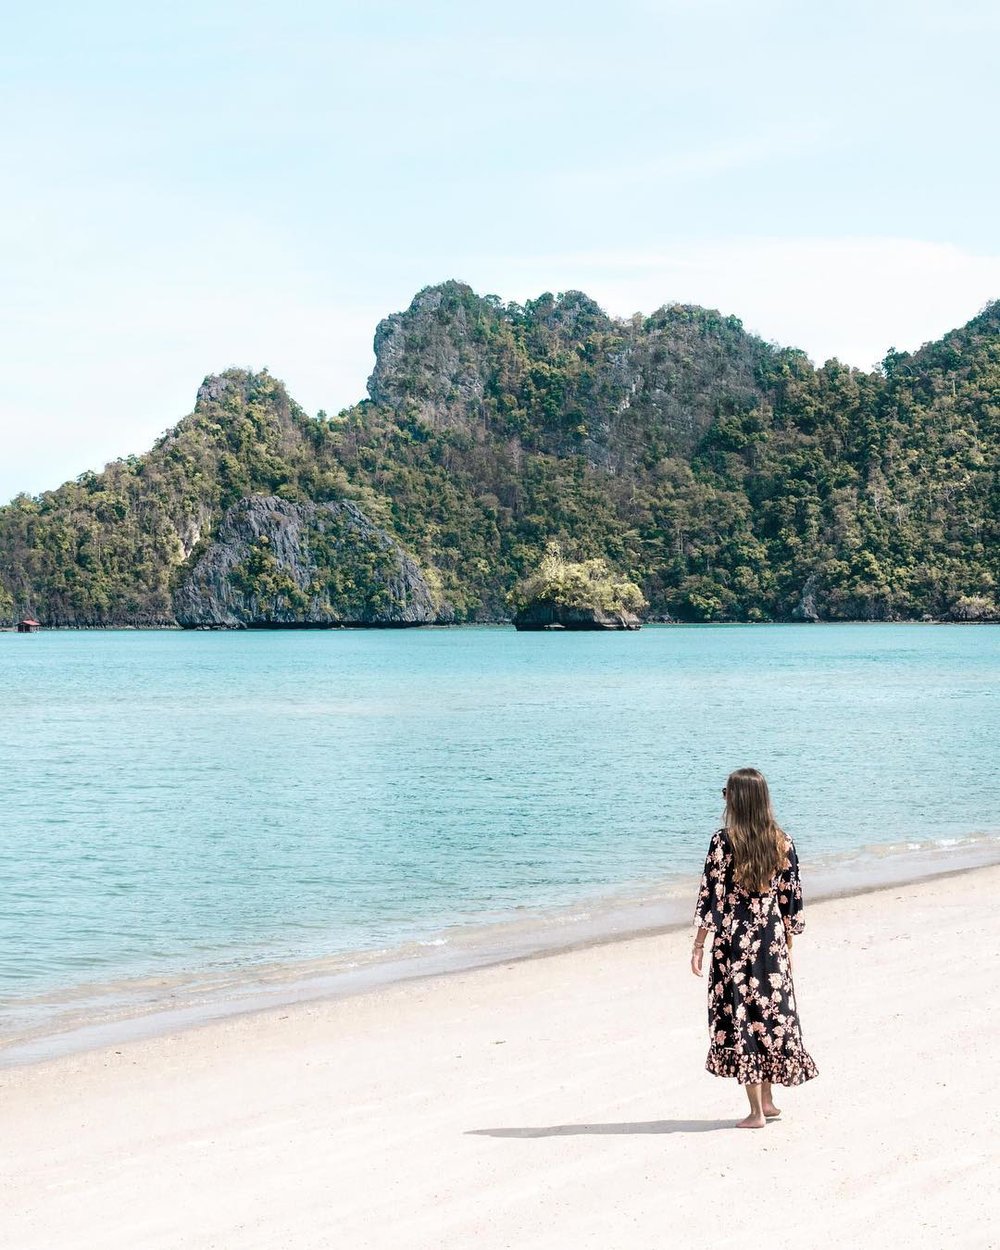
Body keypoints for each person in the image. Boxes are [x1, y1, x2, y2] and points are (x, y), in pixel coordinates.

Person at [691, 767, 818, 1128]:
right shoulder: (783, 841)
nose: (724, 797)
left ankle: (756, 1113)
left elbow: (709, 898)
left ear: (738, 799)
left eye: (726, 792)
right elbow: (791, 903)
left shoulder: (722, 842)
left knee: (741, 1019)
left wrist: (699, 944)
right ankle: (769, 1100)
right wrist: (786, 943)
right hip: (770, 942)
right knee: (770, 1017)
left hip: (733, 944)